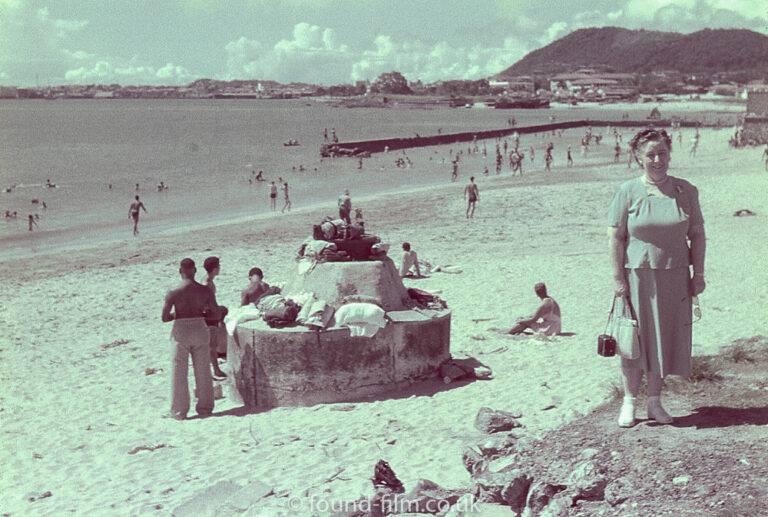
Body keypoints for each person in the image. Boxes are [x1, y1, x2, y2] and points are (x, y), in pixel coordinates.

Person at [608, 128, 706, 428]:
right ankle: (628, 403)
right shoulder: (627, 191)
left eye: (662, 153)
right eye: (650, 154)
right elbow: (615, 237)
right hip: (637, 275)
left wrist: (698, 273)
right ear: (639, 158)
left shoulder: (686, 191)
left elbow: (698, 234)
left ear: (669, 154)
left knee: (663, 339)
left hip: (675, 276)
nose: (657, 159)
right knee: (632, 340)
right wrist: (618, 279)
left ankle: (654, 402)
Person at [161, 258, 216, 420]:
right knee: (203, 369)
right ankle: (205, 408)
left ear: (180, 271)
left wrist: (177, 314)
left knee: (179, 371)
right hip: (199, 326)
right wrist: (202, 313)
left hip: (182, 329)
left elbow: (164, 317)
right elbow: (215, 313)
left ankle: (179, 411)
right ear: (195, 270)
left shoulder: (173, 291)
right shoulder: (205, 290)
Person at [202, 257, 228, 379]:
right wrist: (219, 311)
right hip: (209, 316)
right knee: (212, 345)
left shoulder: (207, 280)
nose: (220, 268)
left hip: (209, 314)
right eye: (218, 266)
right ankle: (215, 370)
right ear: (214, 269)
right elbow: (208, 303)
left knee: (212, 344)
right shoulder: (207, 283)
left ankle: (214, 369)